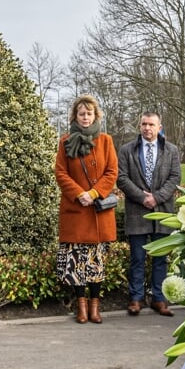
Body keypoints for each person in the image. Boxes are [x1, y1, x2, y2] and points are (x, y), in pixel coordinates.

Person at [55, 94, 118, 325]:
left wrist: (93, 193)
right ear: (75, 116)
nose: (85, 117)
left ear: (95, 115)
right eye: (81, 113)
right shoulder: (64, 142)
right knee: (77, 263)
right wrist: (79, 193)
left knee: (95, 263)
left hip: (97, 210)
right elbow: (60, 172)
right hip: (76, 209)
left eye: (89, 113)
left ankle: (95, 306)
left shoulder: (106, 141)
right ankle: (81, 306)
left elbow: (112, 172)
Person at [116, 111, 181, 316]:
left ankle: (158, 299)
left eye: (151, 124)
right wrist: (142, 197)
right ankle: (136, 298)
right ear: (139, 126)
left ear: (159, 127)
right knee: (137, 257)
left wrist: (157, 197)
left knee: (160, 258)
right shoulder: (127, 150)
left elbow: (175, 177)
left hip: (162, 211)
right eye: (144, 124)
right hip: (137, 210)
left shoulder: (171, 150)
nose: (147, 128)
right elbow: (122, 177)